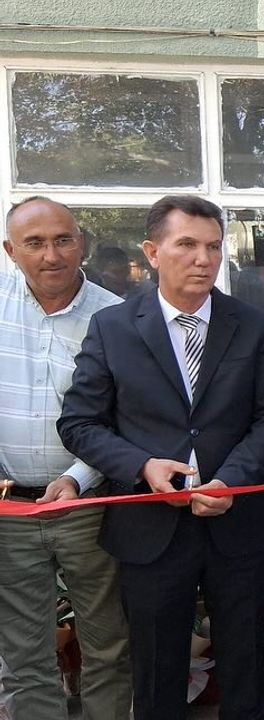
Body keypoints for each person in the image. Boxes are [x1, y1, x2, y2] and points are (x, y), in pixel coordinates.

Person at [58, 194, 264, 720]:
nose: (203, 259)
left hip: (237, 522)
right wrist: (142, 466)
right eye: (186, 244)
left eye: (213, 246)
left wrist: (231, 479)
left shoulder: (255, 325)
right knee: (157, 668)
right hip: (150, 527)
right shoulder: (114, 327)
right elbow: (79, 423)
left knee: (243, 662)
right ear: (152, 252)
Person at [0, 197, 131, 720]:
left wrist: (78, 476)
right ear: (11, 250)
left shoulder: (116, 317)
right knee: (23, 655)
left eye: (62, 240)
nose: (51, 255)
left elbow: (127, 416)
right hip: (10, 509)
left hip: (89, 507)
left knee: (108, 647)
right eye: (34, 243)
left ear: (82, 244)